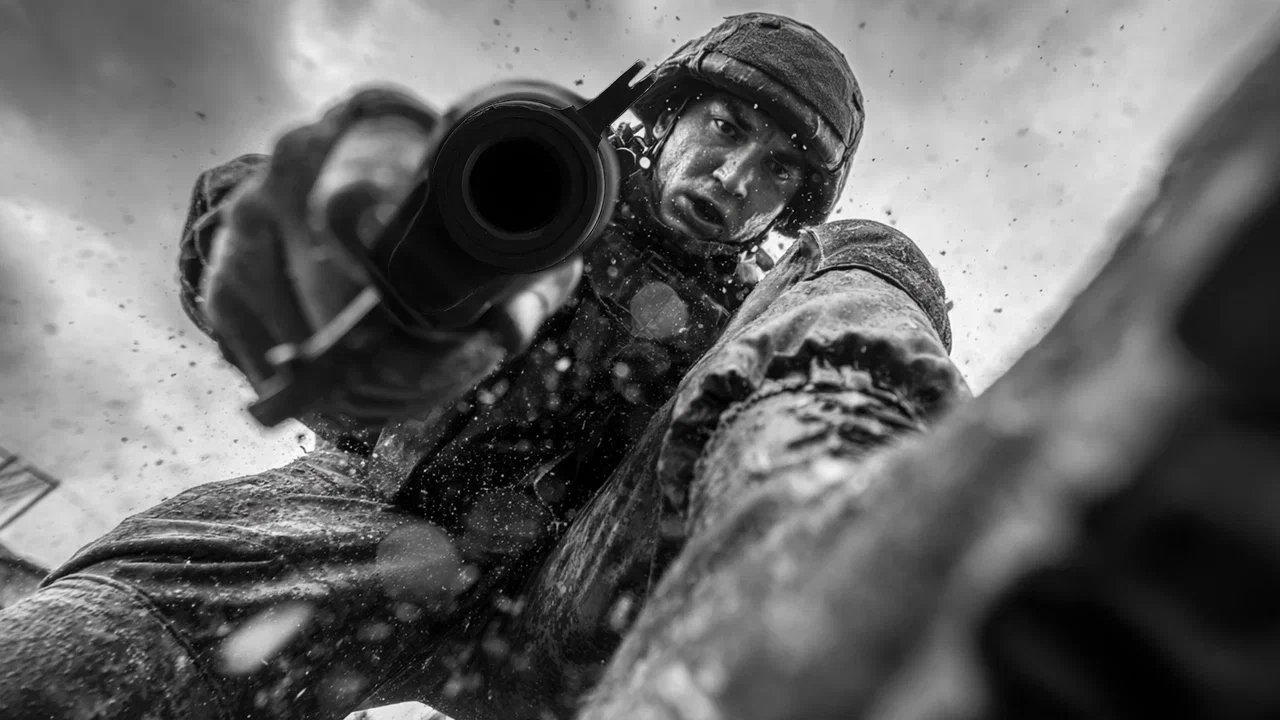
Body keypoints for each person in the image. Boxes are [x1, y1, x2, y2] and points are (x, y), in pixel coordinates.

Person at [0, 12, 965, 720]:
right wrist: (293, 243)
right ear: (670, 114)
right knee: (62, 664)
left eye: (779, 169)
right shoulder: (538, 178)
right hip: (361, 515)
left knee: (873, 254)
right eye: (725, 127)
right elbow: (265, 209)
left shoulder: (758, 319)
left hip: (568, 602)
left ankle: (847, 517)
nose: (736, 177)